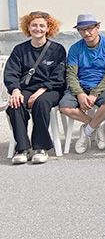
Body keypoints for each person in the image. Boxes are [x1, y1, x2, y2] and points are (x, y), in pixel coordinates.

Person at [3, 11, 66, 164]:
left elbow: (59, 76)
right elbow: (11, 73)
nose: (38, 29)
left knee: (41, 102)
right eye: (34, 25)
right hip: (26, 89)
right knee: (15, 105)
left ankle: (40, 147)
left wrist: (40, 91)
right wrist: (15, 90)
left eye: (42, 26)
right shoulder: (19, 50)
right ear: (28, 27)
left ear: (48, 28)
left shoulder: (57, 49)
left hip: (50, 89)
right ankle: (22, 148)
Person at [59, 14, 105, 154]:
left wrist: (95, 93)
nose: (86, 33)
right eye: (82, 30)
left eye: (90, 28)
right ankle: (95, 125)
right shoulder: (75, 48)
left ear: (98, 27)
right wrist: (80, 93)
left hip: (104, 86)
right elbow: (71, 74)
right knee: (64, 107)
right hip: (81, 86)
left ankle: (86, 131)